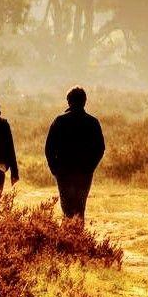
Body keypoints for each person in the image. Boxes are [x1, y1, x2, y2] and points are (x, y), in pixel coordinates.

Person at [45, 85, 105, 220]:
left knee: (67, 209)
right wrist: (91, 167)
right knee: (80, 208)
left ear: (68, 101)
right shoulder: (92, 122)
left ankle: (68, 239)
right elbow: (100, 148)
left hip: (64, 172)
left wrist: (55, 169)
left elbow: (49, 148)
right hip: (84, 173)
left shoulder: (59, 121)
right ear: (85, 101)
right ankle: (79, 239)